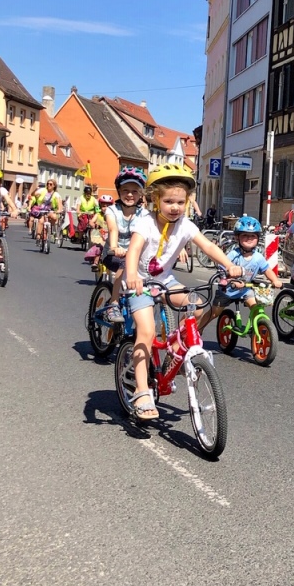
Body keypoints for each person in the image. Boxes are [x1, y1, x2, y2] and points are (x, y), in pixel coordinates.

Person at [122, 163, 243, 421]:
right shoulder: (145, 223)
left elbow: (208, 246)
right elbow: (133, 250)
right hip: (140, 283)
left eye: (180, 201)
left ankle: (177, 349)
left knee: (199, 306)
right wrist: (131, 275)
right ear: (155, 199)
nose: (175, 207)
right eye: (168, 201)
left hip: (164, 281)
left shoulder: (185, 225)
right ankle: (143, 391)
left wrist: (230, 265)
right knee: (146, 331)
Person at [197, 216, 283, 332]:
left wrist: (275, 280)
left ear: (258, 238)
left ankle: (257, 328)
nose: (249, 238)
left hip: (245, 290)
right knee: (214, 313)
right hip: (227, 290)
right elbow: (222, 272)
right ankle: (198, 329)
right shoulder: (233, 255)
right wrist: (230, 281)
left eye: (253, 236)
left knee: (256, 308)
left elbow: (267, 270)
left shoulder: (258, 258)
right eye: (245, 235)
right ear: (237, 237)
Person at [101, 167, 151, 322]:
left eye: (135, 191)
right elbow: (112, 228)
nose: (130, 194)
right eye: (125, 190)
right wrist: (115, 247)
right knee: (124, 264)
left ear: (140, 194)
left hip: (135, 255)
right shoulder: (112, 210)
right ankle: (114, 304)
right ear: (119, 191)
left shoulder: (144, 214)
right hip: (114, 254)